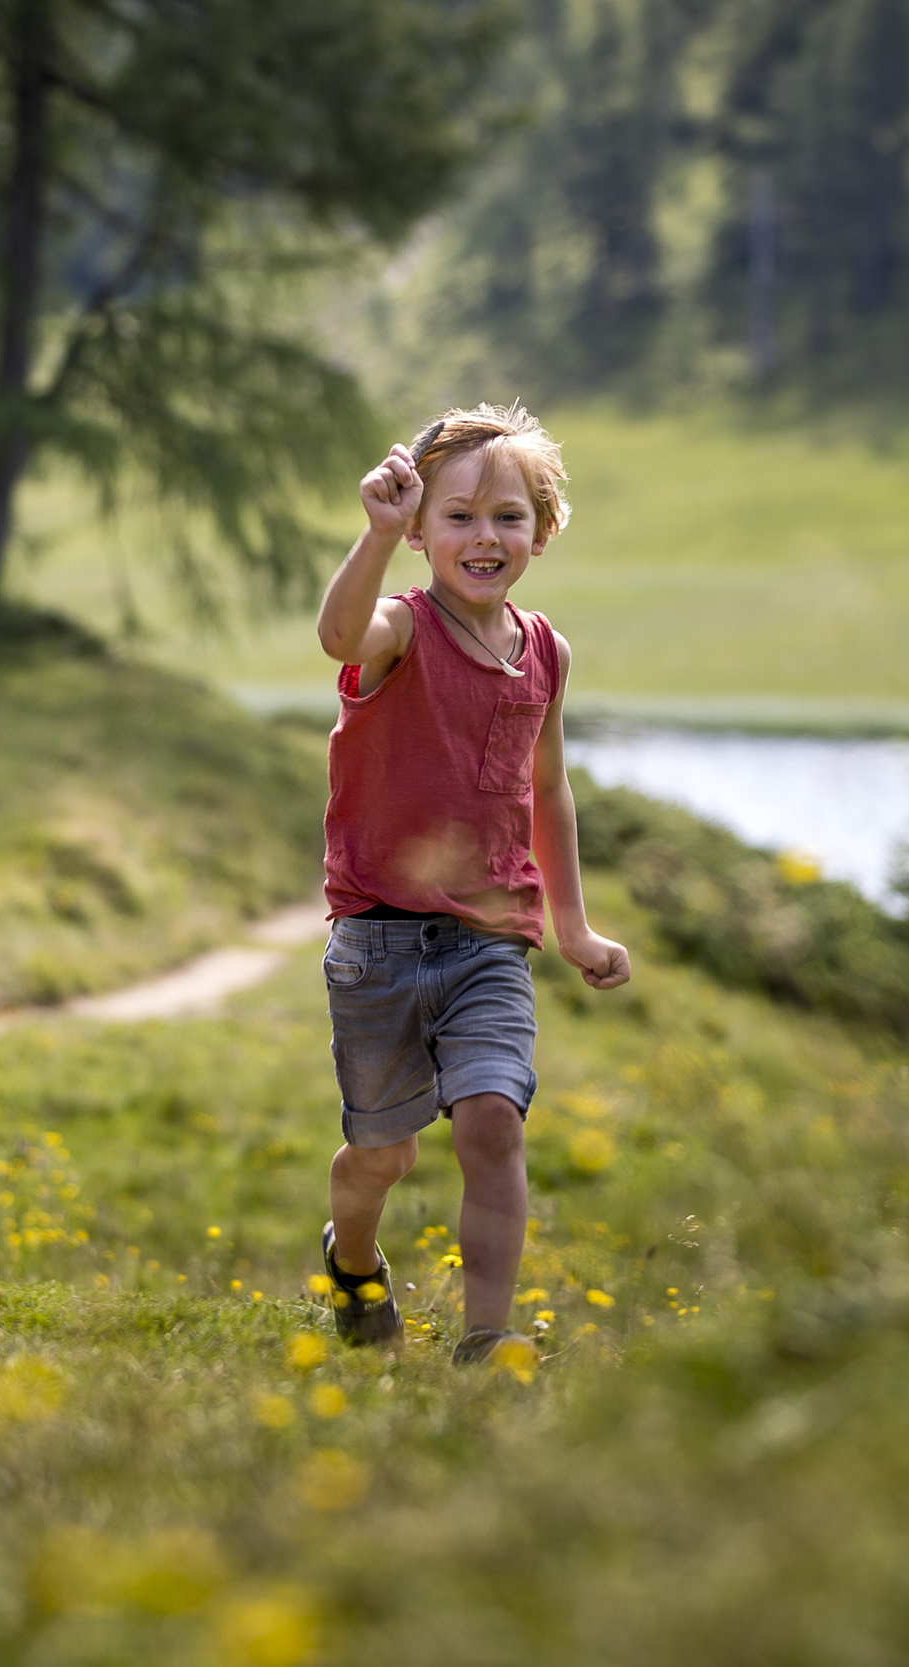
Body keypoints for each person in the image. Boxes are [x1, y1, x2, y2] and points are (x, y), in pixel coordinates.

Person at [310, 403, 633, 1365]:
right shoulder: (399, 631)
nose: (484, 537)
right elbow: (338, 635)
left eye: (508, 517)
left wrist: (573, 929)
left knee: (493, 1122)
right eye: (457, 516)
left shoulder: (546, 651)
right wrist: (373, 532)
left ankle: (485, 1343)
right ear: (420, 528)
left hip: (490, 941)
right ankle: (353, 1262)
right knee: (384, 1155)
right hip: (377, 943)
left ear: (543, 529)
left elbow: (547, 788)